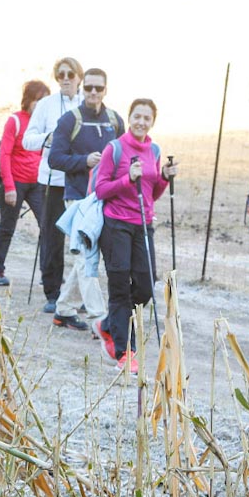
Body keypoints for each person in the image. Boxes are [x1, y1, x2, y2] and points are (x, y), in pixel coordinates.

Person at [90, 98, 176, 370]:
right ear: (129, 118)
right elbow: (100, 189)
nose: (141, 122)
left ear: (152, 122)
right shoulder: (114, 149)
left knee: (144, 285)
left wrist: (163, 177)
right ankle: (125, 352)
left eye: (146, 118)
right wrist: (127, 178)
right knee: (119, 287)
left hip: (143, 225)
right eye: (137, 116)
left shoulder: (155, 150)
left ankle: (108, 324)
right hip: (115, 225)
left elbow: (153, 193)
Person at [48, 67, 123, 334]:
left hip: (105, 198)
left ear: (106, 89)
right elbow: (54, 159)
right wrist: (84, 162)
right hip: (79, 199)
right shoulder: (70, 120)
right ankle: (100, 319)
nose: (93, 93)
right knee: (86, 258)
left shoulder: (114, 120)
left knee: (86, 257)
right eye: (89, 87)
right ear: (83, 88)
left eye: (98, 88)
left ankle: (64, 310)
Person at [22, 58, 84, 312]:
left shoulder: (88, 105)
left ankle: (78, 295)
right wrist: (49, 139)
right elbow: (28, 140)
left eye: (70, 74)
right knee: (52, 237)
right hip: (53, 179)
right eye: (60, 74)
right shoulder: (46, 105)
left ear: (79, 76)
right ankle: (52, 292)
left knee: (83, 239)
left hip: (82, 180)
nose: (66, 78)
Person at [0, 79, 50, 286]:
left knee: (48, 227)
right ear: (28, 100)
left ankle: (48, 273)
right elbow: (4, 154)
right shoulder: (15, 120)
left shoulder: (44, 124)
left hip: (37, 183)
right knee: (7, 226)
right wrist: (10, 187)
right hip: (15, 182)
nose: (40, 105)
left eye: (45, 101)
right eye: (38, 100)